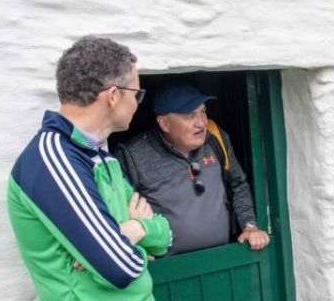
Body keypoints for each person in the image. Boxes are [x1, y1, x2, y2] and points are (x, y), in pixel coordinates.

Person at [7, 36, 172, 301]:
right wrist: (128, 243)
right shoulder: (53, 159)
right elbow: (118, 267)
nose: (140, 102)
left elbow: (163, 235)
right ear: (113, 95)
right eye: (138, 92)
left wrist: (132, 229)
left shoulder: (100, 158)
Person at [115, 82, 269, 255]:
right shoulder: (132, 155)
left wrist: (249, 226)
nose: (201, 123)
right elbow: (120, 209)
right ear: (164, 123)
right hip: (171, 271)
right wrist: (139, 249)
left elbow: (238, 184)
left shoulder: (215, 137)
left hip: (224, 259)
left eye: (203, 112)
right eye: (190, 115)